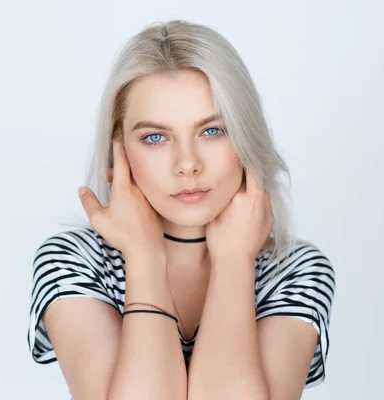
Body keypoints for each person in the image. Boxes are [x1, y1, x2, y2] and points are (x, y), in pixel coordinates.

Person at [27, 19, 336, 399]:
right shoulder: (73, 260)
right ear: (118, 154)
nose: (187, 163)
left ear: (247, 137)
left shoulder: (295, 270)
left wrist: (235, 263)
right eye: (155, 137)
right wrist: (144, 256)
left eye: (212, 131)